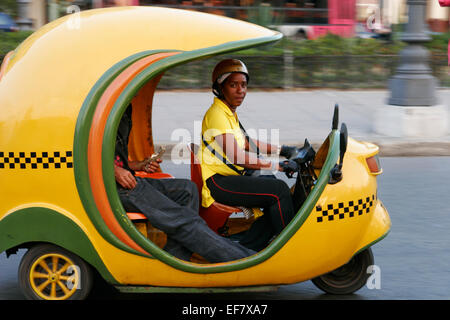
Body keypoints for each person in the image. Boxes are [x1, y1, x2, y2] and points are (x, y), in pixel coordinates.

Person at [114, 104, 256, 262]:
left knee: (188, 190)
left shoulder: (124, 105)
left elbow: (116, 158)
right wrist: (114, 170)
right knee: (184, 220)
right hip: (113, 186)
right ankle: (245, 260)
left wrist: (139, 165)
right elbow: (83, 153)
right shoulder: (101, 104)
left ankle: (175, 259)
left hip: (126, 178)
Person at [199, 59, 299, 252]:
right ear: (220, 87)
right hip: (218, 183)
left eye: (243, 85)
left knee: (271, 184)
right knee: (278, 190)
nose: (240, 90)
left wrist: (283, 149)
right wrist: (278, 166)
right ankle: (290, 249)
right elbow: (238, 157)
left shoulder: (227, 112)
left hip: (227, 177)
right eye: (233, 85)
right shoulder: (217, 115)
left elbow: (246, 144)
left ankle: (251, 247)